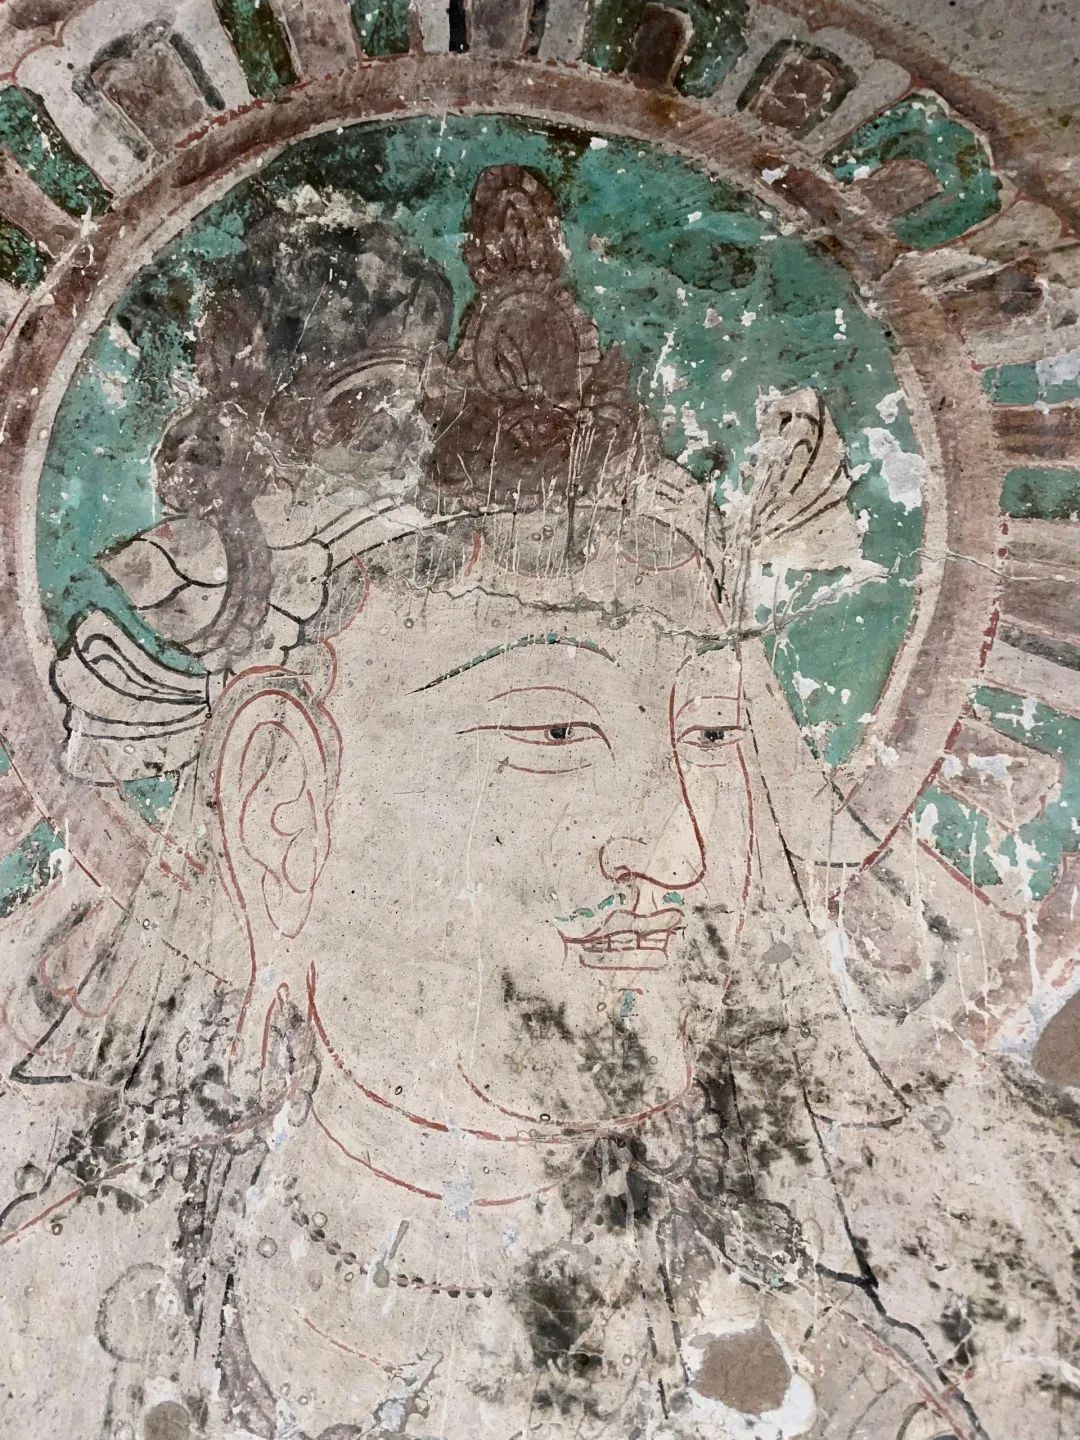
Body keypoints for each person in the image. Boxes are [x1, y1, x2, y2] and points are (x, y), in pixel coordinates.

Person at [6, 166, 984, 1440]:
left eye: (710, 735)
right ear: (281, 809)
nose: (682, 851)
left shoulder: (856, 1398)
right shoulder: (41, 1320)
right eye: (557, 730)